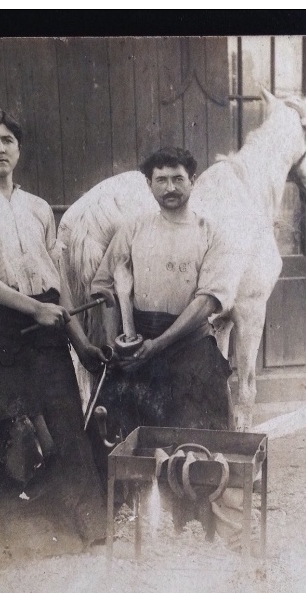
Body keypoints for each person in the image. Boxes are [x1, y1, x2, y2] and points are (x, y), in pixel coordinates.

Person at [0, 108, 108, 570]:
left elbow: (58, 286)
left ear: (19, 149)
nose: (0, 148)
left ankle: (75, 529)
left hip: (48, 333)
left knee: (66, 425)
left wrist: (79, 340)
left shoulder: (37, 208)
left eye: (8, 140)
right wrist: (34, 308)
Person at [89, 147, 237, 435]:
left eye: (178, 179)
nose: (170, 188)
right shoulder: (133, 229)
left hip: (190, 348)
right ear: (149, 184)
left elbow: (207, 302)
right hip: (137, 349)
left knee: (199, 444)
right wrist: (119, 346)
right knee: (124, 444)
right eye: (161, 180)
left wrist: (158, 345)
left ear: (192, 181)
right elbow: (104, 287)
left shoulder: (211, 232)